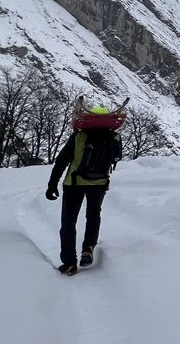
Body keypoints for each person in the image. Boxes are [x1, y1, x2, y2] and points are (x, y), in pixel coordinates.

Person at [46, 105, 124, 275]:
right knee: (93, 216)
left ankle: (69, 263)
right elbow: (116, 158)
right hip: (99, 184)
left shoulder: (79, 136)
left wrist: (52, 184)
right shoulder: (115, 137)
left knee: (68, 222)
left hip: (74, 184)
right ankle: (88, 248)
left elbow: (62, 161)